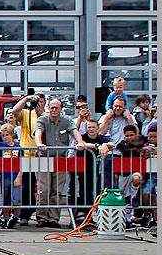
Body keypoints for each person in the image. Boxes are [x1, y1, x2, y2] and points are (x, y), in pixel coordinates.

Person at [34, 97, 85, 228]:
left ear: (61, 109)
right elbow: (38, 132)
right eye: (51, 107)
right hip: (44, 159)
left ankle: (54, 218)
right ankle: (41, 217)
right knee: (43, 189)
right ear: (48, 108)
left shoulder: (66, 120)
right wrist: (39, 143)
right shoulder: (42, 120)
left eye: (56, 107)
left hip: (61, 159)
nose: (54, 110)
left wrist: (80, 142)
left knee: (57, 190)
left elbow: (75, 131)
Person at [11, 91, 46, 226]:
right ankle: (25, 214)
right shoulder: (26, 113)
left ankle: (42, 215)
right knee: (26, 186)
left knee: (43, 187)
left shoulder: (46, 116)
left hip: (41, 155)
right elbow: (14, 111)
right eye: (37, 101)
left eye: (41, 102)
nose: (39, 104)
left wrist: (40, 111)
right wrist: (26, 99)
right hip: (27, 154)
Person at [0, 124, 23, 229]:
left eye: (7, 135)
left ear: (12, 135)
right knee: (5, 199)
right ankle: (5, 219)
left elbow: (22, 164)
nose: (5, 137)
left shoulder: (18, 147)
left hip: (15, 175)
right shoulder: (1, 145)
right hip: (4, 176)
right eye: (3, 136)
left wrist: (19, 177)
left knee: (16, 199)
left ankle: (15, 217)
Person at [76, 118, 114, 218]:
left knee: (98, 191)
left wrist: (105, 144)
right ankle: (84, 215)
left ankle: (100, 215)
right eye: (89, 127)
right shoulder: (82, 137)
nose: (91, 129)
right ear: (86, 128)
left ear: (98, 128)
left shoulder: (102, 138)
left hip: (98, 170)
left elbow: (112, 143)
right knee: (85, 191)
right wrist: (97, 146)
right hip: (85, 169)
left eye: (93, 127)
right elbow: (82, 144)